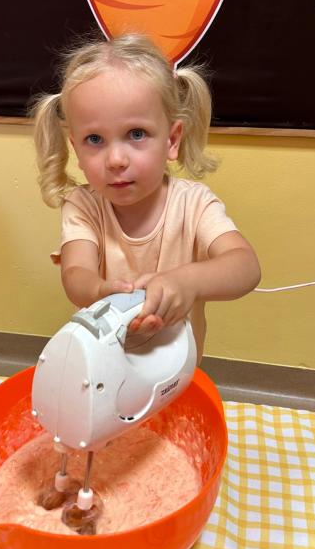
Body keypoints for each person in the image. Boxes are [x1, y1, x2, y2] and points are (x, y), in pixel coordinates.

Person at [32, 32, 260, 362]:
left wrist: (187, 282)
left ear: (172, 140)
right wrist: (99, 291)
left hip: (177, 370)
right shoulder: (82, 206)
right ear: (76, 150)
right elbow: (75, 274)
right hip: (101, 368)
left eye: (136, 134)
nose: (115, 160)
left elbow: (246, 267)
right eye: (94, 139)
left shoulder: (194, 204)